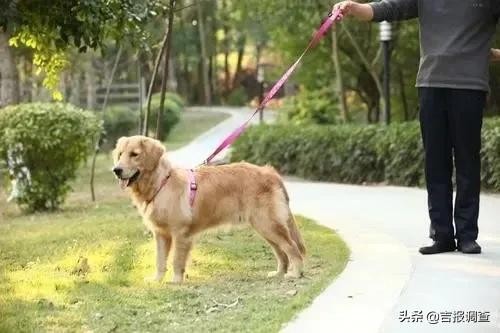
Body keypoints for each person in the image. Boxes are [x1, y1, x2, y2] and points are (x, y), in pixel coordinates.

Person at [332, 0, 500, 254]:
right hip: (430, 84)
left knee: (467, 161)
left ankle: (467, 235)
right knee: (435, 162)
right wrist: (354, 8)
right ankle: (441, 235)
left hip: (470, 86)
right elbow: (389, 9)